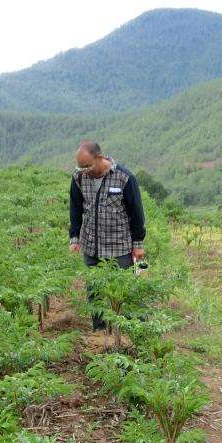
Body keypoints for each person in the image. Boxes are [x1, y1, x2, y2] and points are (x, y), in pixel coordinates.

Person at [68, 140, 146, 329]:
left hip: (119, 246)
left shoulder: (124, 178)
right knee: (94, 290)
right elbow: (75, 208)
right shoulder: (79, 178)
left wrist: (138, 244)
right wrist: (74, 238)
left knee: (126, 288)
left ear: (100, 158)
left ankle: (131, 330)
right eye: (80, 167)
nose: (83, 170)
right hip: (91, 245)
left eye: (87, 166)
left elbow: (136, 212)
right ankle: (99, 330)